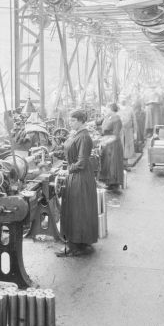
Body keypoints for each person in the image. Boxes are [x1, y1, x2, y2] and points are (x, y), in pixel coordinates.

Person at [56, 109, 99, 257]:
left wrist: (68, 169)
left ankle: (76, 245)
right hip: (75, 177)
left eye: (73, 120)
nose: (70, 122)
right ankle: (78, 242)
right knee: (76, 210)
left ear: (81, 121)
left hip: (80, 177)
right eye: (70, 120)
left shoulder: (84, 137)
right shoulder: (77, 134)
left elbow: (82, 162)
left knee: (77, 211)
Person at [98, 103, 124, 191]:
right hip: (107, 143)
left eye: (107, 109)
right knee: (106, 163)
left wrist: (105, 142)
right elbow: (99, 124)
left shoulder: (117, 119)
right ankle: (107, 182)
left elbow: (116, 135)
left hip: (113, 145)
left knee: (113, 164)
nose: (105, 111)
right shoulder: (107, 117)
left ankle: (114, 184)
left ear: (111, 109)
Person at [119, 97, 135, 167]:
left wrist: (135, 132)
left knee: (127, 146)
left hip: (128, 131)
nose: (123, 100)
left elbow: (134, 120)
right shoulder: (117, 108)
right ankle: (121, 164)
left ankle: (126, 163)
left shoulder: (130, 109)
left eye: (124, 99)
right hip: (119, 131)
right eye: (121, 98)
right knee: (120, 146)